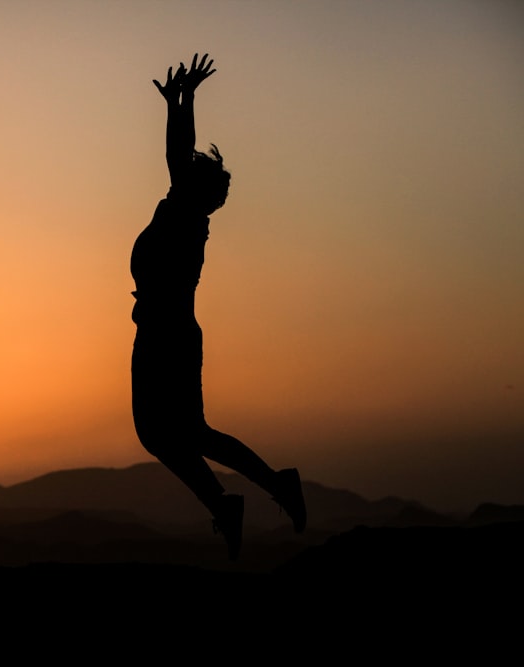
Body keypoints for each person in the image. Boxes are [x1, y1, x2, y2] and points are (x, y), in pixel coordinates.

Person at [130, 55, 306, 560]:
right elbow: (177, 156)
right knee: (175, 435)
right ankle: (251, 494)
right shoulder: (182, 211)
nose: (178, 173)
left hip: (169, 333)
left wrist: (185, 101)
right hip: (165, 331)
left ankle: (258, 491)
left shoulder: (184, 214)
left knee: (171, 434)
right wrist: (178, 102)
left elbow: (177, 154)